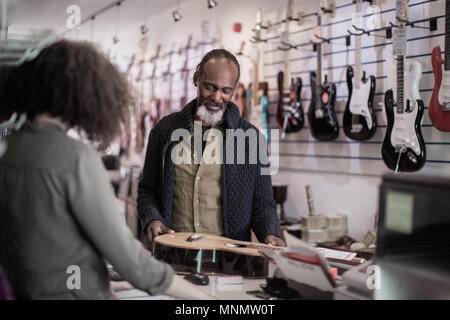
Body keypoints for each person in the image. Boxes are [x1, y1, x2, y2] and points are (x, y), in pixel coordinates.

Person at [0, 39, 213, 300]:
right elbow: (130, 261)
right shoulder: (75, 158)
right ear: (87, 94)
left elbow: (42, 246)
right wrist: (207, 301)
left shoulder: (9, 149)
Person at [137, 49, 285, 247]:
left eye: (226, 91)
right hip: (174, 255)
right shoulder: (164, 131)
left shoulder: (252, 140)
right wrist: (153, 220)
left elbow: (263, 204)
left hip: (229, 261)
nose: (217, 97)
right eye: (210, 87)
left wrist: (270, 233)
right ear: (196, 79)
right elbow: (147, 191)